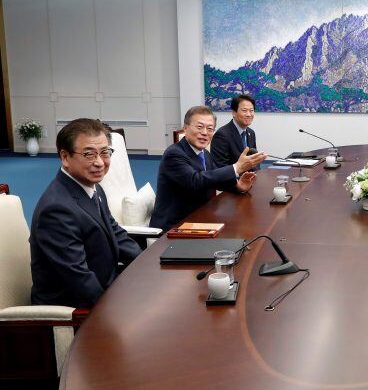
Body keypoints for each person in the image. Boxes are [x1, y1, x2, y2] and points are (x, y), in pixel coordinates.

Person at [30, 118, 142, 308]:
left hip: (107, 287)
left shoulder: (93, 188)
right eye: (89, 154)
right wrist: (118, 310)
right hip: (73, 312)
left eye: (105, 153)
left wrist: (150, 265)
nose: (99, 162)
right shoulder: (56, 210)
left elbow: (117, 235)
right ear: (65, 157)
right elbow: (79, 279)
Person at [149, 106, 267, 232]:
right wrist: (236, 167)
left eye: (210, 129)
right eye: (199, 127)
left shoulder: (204, 153)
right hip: (175, 227)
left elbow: (214, 178)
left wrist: (238, 186)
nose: (205, 133)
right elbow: (196, 180)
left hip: (200, 217)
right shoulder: (174, 154)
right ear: (185, 128)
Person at [212, 94, 259, 170]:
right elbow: (221, 167)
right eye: (244, 110)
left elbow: (254, 160)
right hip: (232, 180)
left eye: (251, 111)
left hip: (250, 179)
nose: (248, 114)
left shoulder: (251, 133)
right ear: (234, 112)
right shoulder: (222, 135)